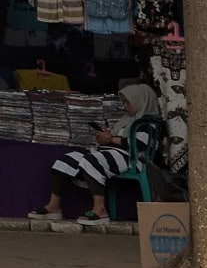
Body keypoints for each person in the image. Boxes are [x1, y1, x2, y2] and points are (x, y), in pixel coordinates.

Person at [27, 83, 160, 226]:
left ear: (141, 100)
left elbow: (140, 144)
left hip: (131, 158)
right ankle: (53, 206)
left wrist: (111, 139)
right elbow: (116, 140)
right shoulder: (127, 120)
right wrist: (106, 139)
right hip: (111, 152)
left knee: (92, 161)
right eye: (124, 102)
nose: (125, 106)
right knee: (66, 160)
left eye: (128, 102)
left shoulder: (147, 122)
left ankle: (100, 210)